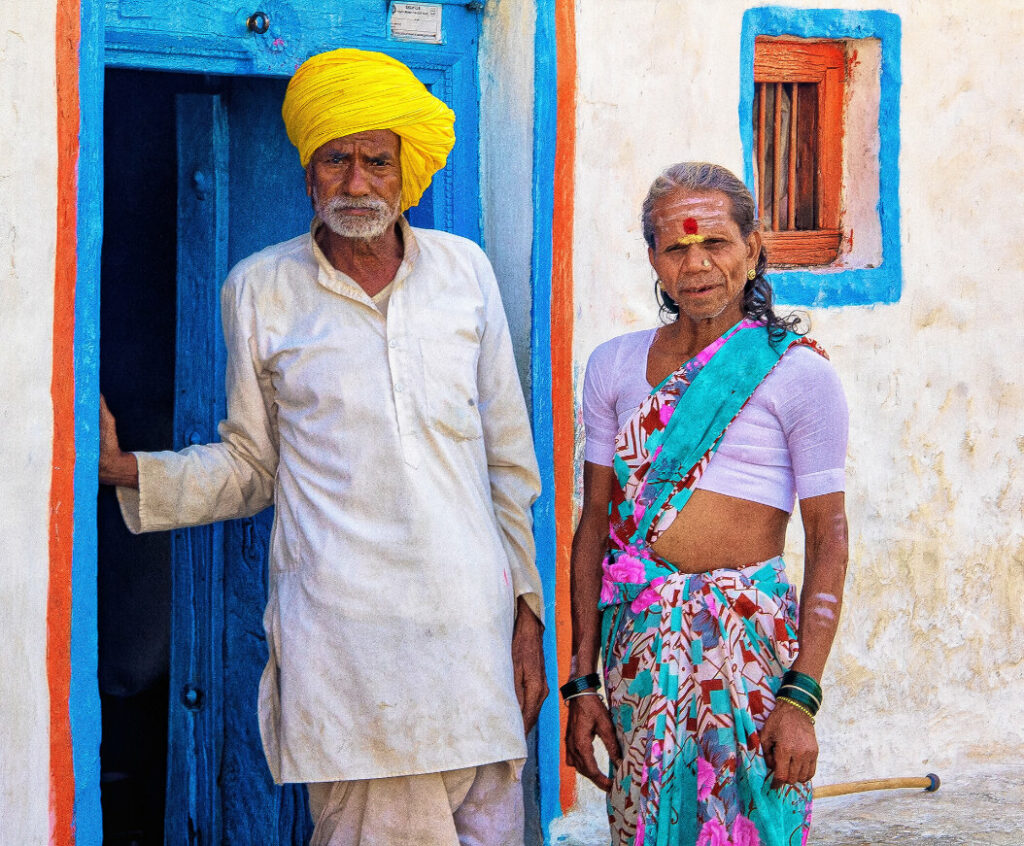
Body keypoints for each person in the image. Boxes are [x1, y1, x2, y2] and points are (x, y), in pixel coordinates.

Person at [98, 48, 547, 846]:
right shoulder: (259, 290)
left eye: (377, 160)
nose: (357, 182)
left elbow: (509, 467)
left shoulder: (466, 274)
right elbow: (250, 466)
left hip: (472, 640)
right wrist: (129, 470)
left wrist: (528, 619)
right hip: (349, 645)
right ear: (307, 173)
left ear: (407, 172)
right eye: (334, 160)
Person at [562, 162, 848, 846]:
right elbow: (593, 528)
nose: (696, 265)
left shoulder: (798, 373)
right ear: (653, 258)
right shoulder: (613, 366)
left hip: (749, 654)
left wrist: (801, 694)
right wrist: (582, 684)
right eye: (675, 247)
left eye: (715, 243)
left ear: (752, 249)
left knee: (752, 825)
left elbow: (829, 535)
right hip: (639, 651)